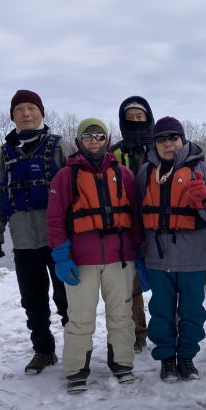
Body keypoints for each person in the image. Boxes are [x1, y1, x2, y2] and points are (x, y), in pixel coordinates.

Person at [46, 118, 143, 393]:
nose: (94, 141)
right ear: (79, 141)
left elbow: (134, 217)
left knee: (121, 315)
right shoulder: (65, 177)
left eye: (100, 136)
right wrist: (62, 257)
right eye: (88, 136)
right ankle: (76, 369)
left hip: (119, 258)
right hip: (81, 261)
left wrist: (139, 254)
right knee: (80, 317)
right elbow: (54, 221)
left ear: (107, 140)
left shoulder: (123, 174)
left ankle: (122, 363)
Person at [0, 89, 72, 375]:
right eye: (20, 109)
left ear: (41, 113)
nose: (26, 113)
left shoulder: (60, 148)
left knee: (67, 300)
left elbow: (79, 193)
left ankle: (75, 348)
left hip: (59, 241)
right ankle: (44, 351)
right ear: (12, 116)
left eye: (31, 108)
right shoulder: (4, 157)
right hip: (23, 243)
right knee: (33, 302)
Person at [136, 117, 206, 382]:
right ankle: (166, 359)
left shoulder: (203, 170)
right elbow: (136, 212)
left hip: (193, 258)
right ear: (155, 144)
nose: (168, 144)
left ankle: (186, 358)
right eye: (162, 140)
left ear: (183, 140)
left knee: (192, 311)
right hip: (156, 257)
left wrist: (204, 201)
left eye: (173, 138)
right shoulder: (145, 172)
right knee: (161, 311)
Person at [111, 95, 154, 353]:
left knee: (165, 285)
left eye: (141, 116)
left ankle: (171, 330)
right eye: (131, 117)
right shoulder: (114, 153)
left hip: (158, 227)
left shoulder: (160, 147)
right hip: (127, 229)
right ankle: (138, 333)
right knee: (131, 286)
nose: (136, 121)